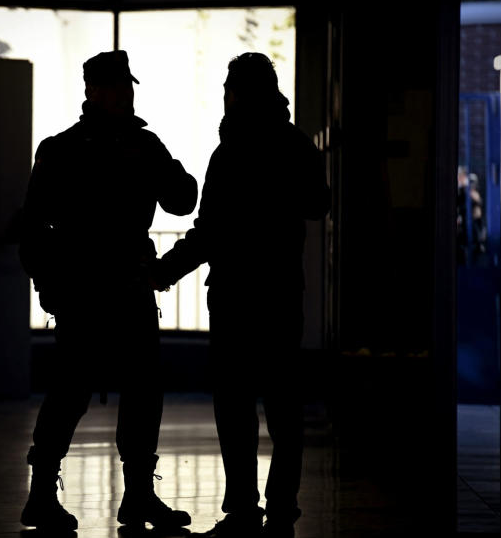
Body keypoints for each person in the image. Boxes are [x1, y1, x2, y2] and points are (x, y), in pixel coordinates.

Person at [150, 53, 330, 538]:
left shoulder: (229, 153)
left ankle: (244, 510)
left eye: (230, 86)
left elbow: (208, 232)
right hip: (279, 295)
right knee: (283, 406)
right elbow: (320, 202)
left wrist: (163, 270)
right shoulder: (292, 145)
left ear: (240, 93)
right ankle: (281, 509)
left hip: (233, 296)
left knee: (235, 407)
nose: (225, 95)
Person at [17, 50, 197, 533]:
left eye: (129, 85)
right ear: (92, 91)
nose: (127, 93)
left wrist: (158, 157)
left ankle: (135, 493)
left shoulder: (130, 145)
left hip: (115, 288)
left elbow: (182, 199)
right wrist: (50, 286)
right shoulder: (63, 149)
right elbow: (33, 228)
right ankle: (47, 494)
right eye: (117, 85)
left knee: (134, 391)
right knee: (76, 392)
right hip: (90, 291)